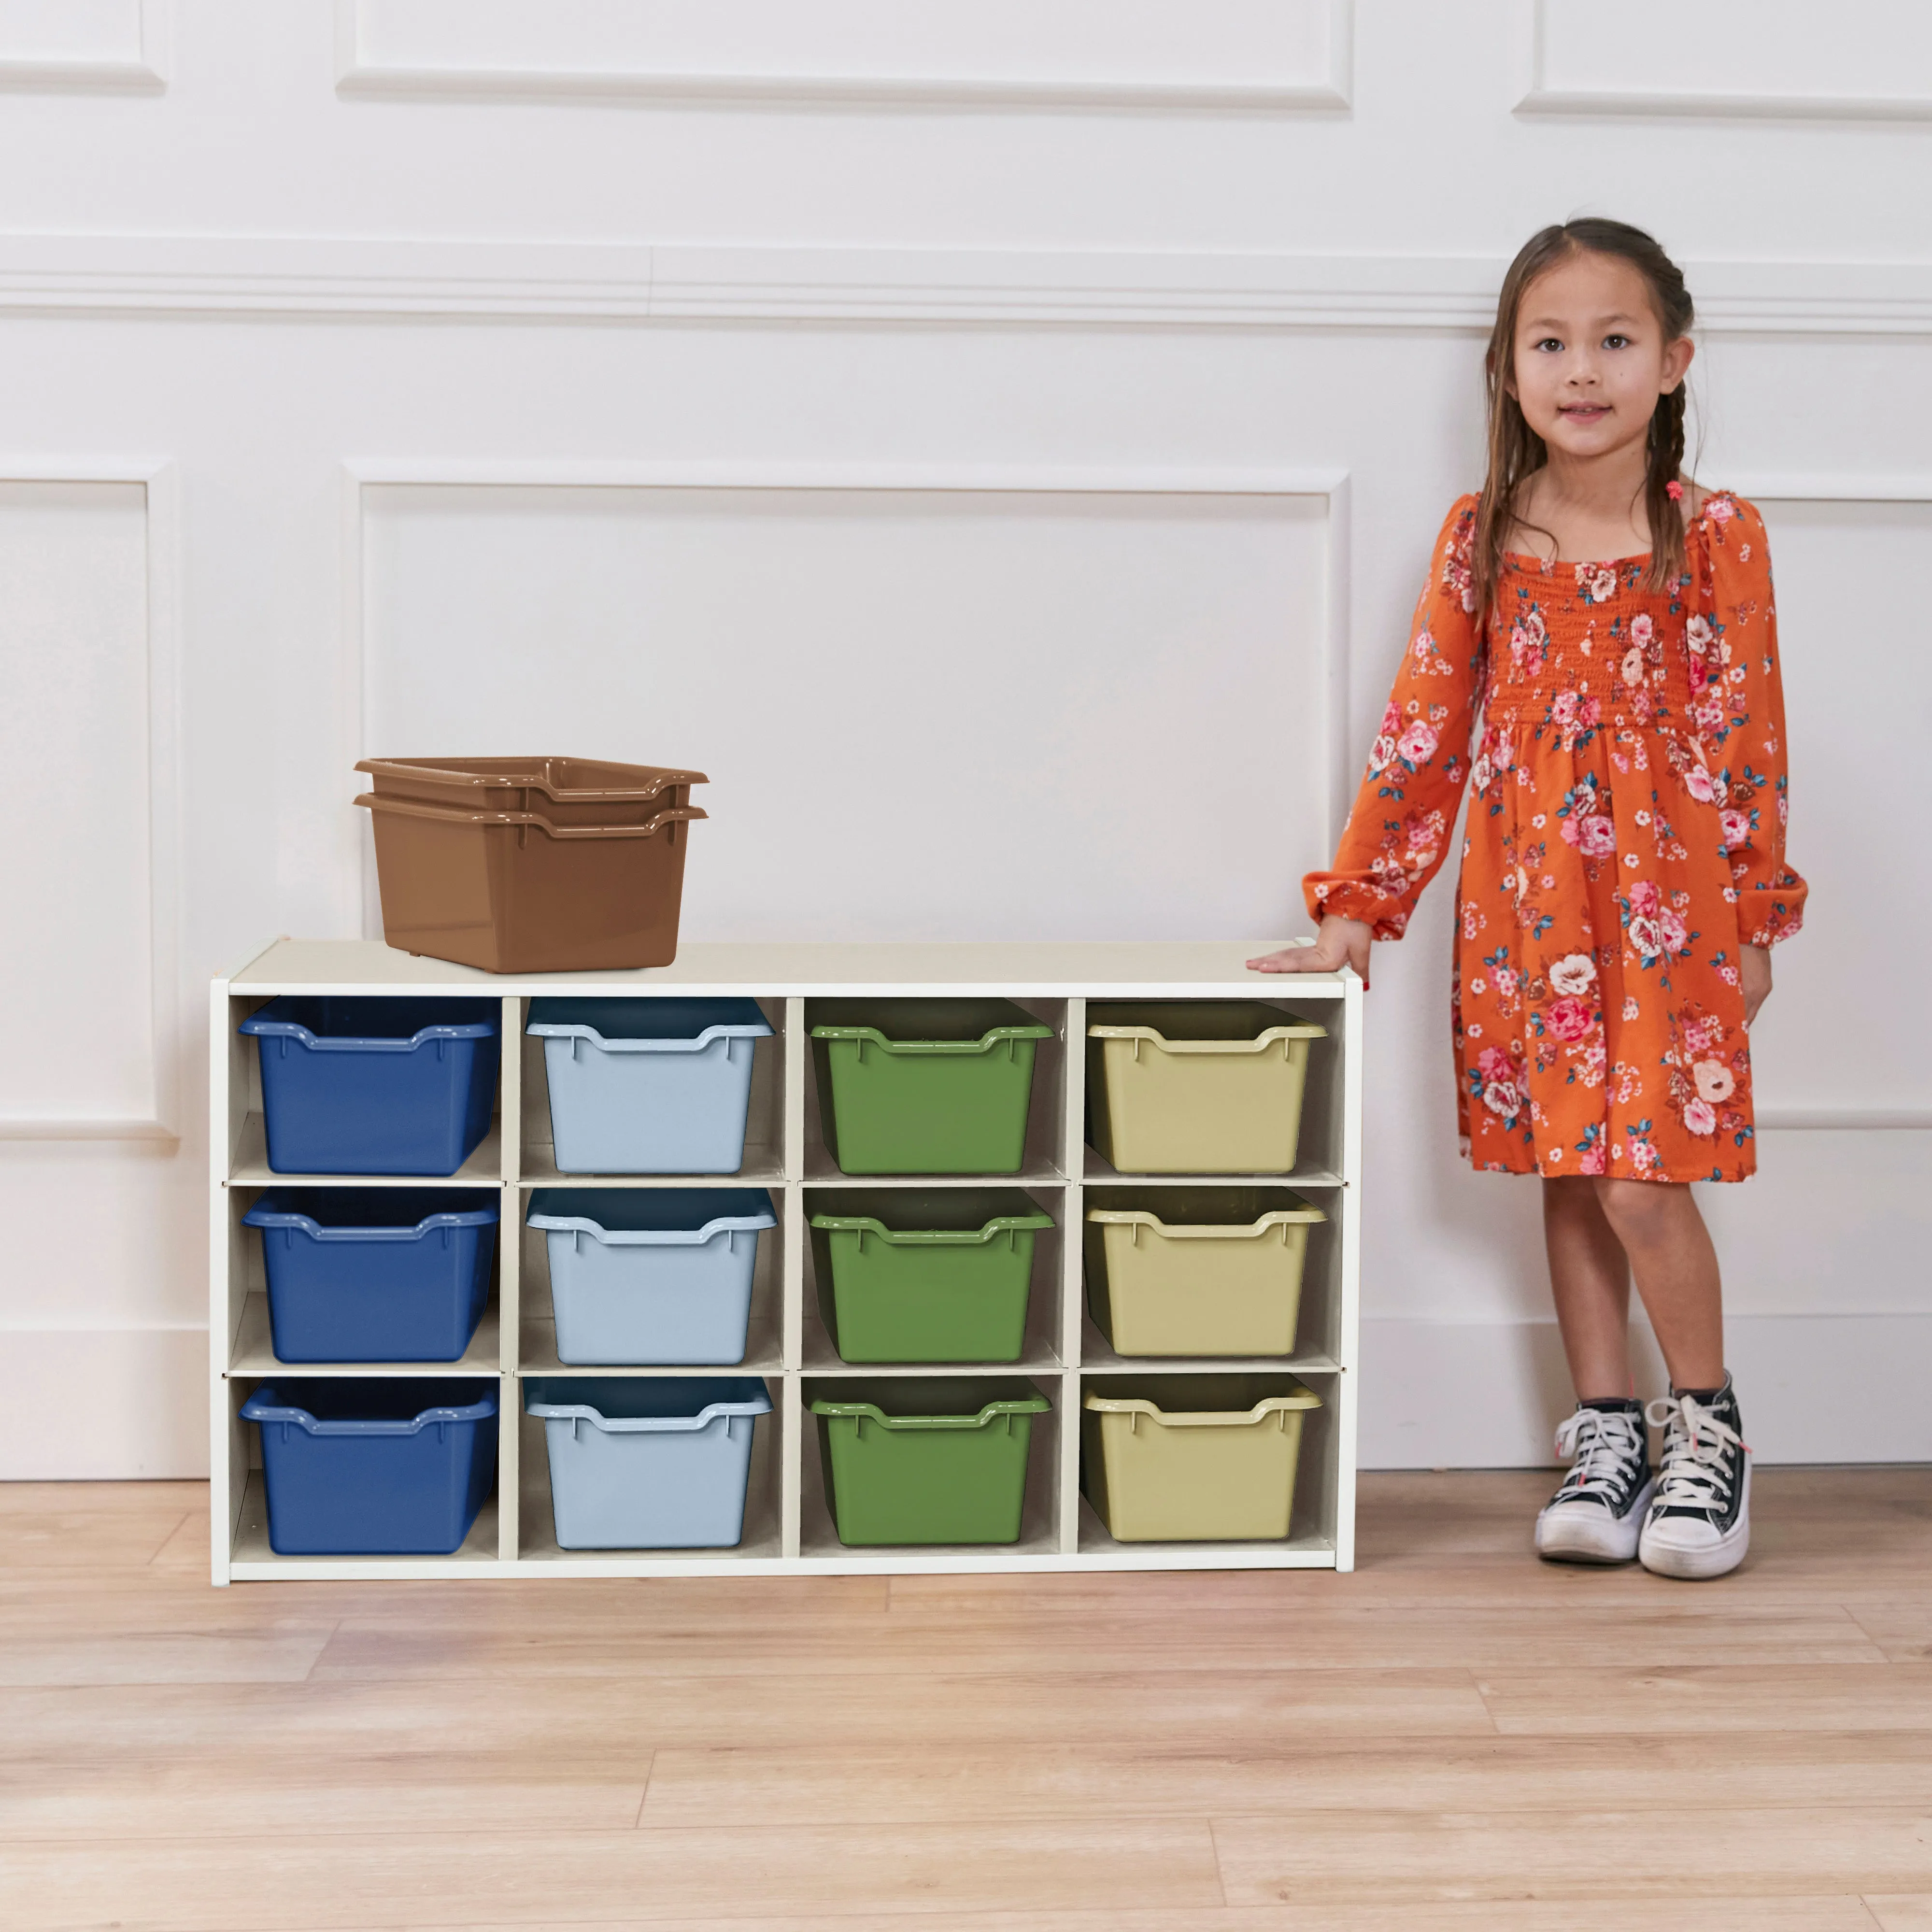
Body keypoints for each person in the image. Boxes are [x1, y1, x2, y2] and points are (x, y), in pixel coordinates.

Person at [1250, 219, 1804, 1580]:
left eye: (1615, 341)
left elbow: (1749, 738)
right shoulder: (1483, 536)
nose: (1583, 369)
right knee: (1569, 1175)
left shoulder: (1714, 537)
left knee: (1643, 1180)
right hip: (1529, 910)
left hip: (1672, 917)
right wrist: (1360, 905)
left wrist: (1755, 913)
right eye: (1550, 343)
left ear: (1673, 362)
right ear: (1506, 371)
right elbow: (1425, 728)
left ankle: (1710, 1431)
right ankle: (1607, 1434)